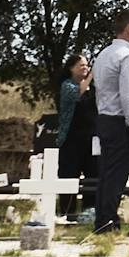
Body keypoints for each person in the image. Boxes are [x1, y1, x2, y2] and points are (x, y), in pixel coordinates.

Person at [89, 7, 129, 233]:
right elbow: (128, 94)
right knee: (118, 174)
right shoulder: (128, 57)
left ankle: (103, 220)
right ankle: (109, 223)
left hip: (104, 118)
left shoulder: (103, 54)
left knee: (106, 173)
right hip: (119, 120)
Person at [55, 56, 93, 219]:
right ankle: (67, 212)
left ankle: (89, 211)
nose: (85, 68)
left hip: (90, 139)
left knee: (92, 175)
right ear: (71, 68)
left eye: (87, 65)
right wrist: (92, 75)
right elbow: (78, 93)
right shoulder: (67, 86)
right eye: (81, 65)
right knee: (69, 175)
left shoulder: (92, 88)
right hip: (71, 139)